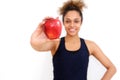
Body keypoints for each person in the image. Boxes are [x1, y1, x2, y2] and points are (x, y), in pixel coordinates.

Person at [30, 0, 116, 80]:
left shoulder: (90, 45)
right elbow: (35, 45)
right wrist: (39, 31)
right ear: (63, 22)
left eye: (76, 21)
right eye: (68, 21)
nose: (72, 25)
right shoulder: (56, 44)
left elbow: (111, 68)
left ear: (81, 22)